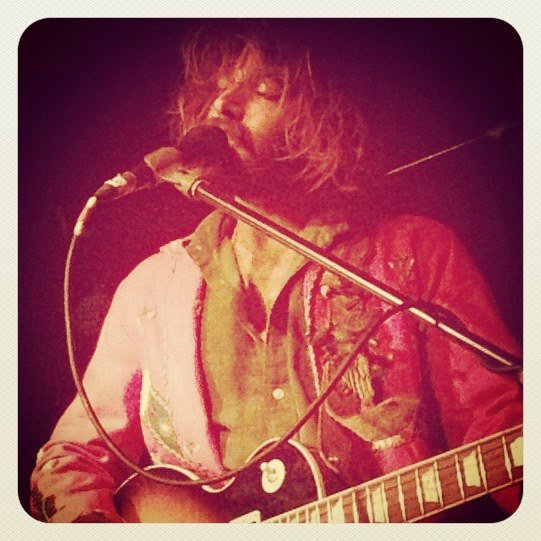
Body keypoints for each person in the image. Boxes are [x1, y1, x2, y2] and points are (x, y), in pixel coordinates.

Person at [30, 22, 523, 523]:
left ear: (326, 119)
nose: (223, 106)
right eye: (214, 90)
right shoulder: (151, 290)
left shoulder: (411, 252)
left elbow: (498, 422)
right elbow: (72, 456)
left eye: (264, 89)